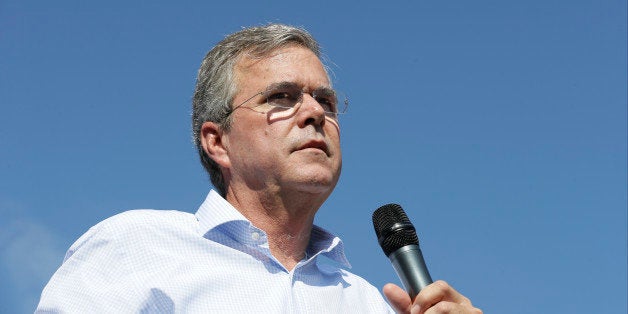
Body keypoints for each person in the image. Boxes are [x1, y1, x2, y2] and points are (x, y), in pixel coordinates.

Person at [36, 24, 482, 313]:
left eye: (325, 101)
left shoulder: (369, 303)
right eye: (281, 98)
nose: (314, 114)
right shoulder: (137, 248)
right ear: (218, 141)